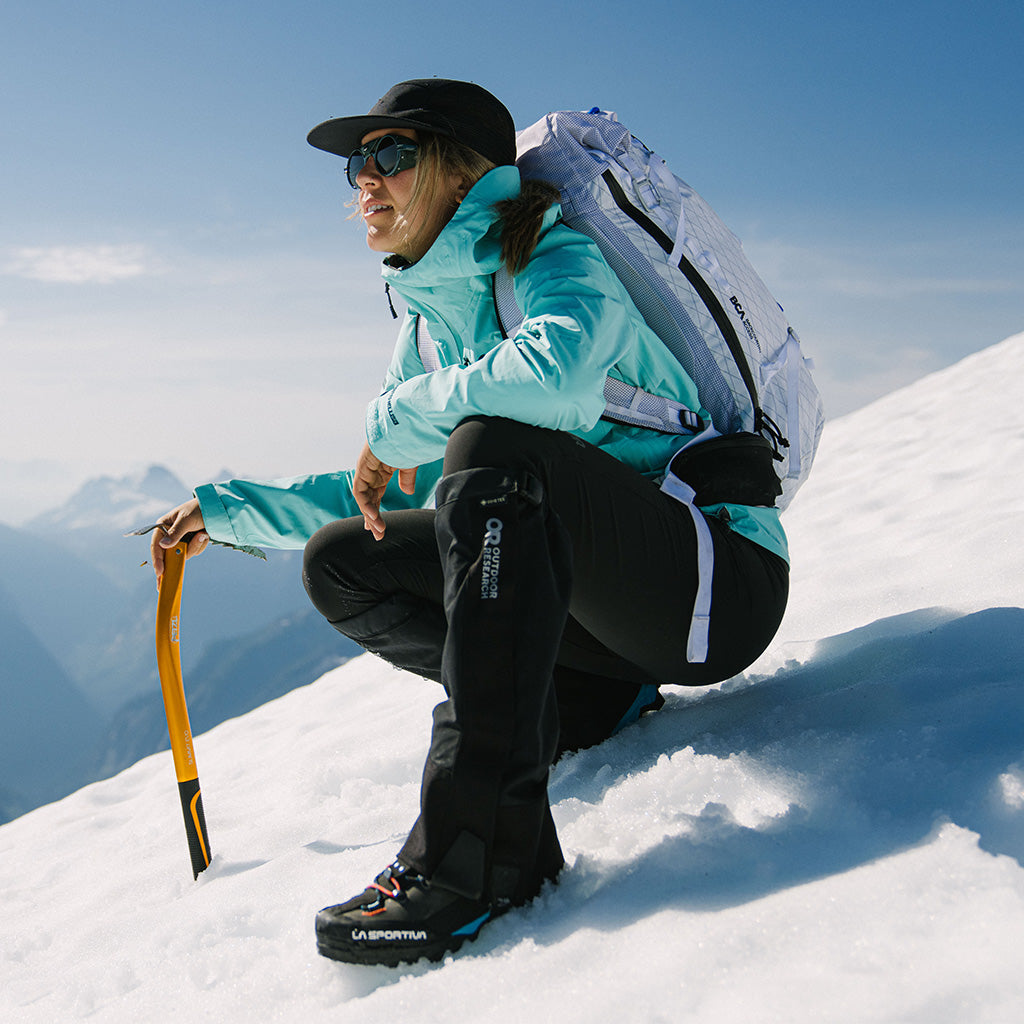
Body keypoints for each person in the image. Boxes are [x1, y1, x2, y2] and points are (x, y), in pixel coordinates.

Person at [150, 79, 790, 967]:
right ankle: (586, 702)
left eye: (393, 154)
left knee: (496, 441)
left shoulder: (554, 257)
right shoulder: (428, 329)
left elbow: (554, 383)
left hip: (713, 589)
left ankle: (483, 855)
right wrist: (228, 514)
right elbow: (399, 490)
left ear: (459, 171)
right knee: (346, 559)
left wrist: (396, 421)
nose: (365, 179)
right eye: (356, 162)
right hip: (610, 623)